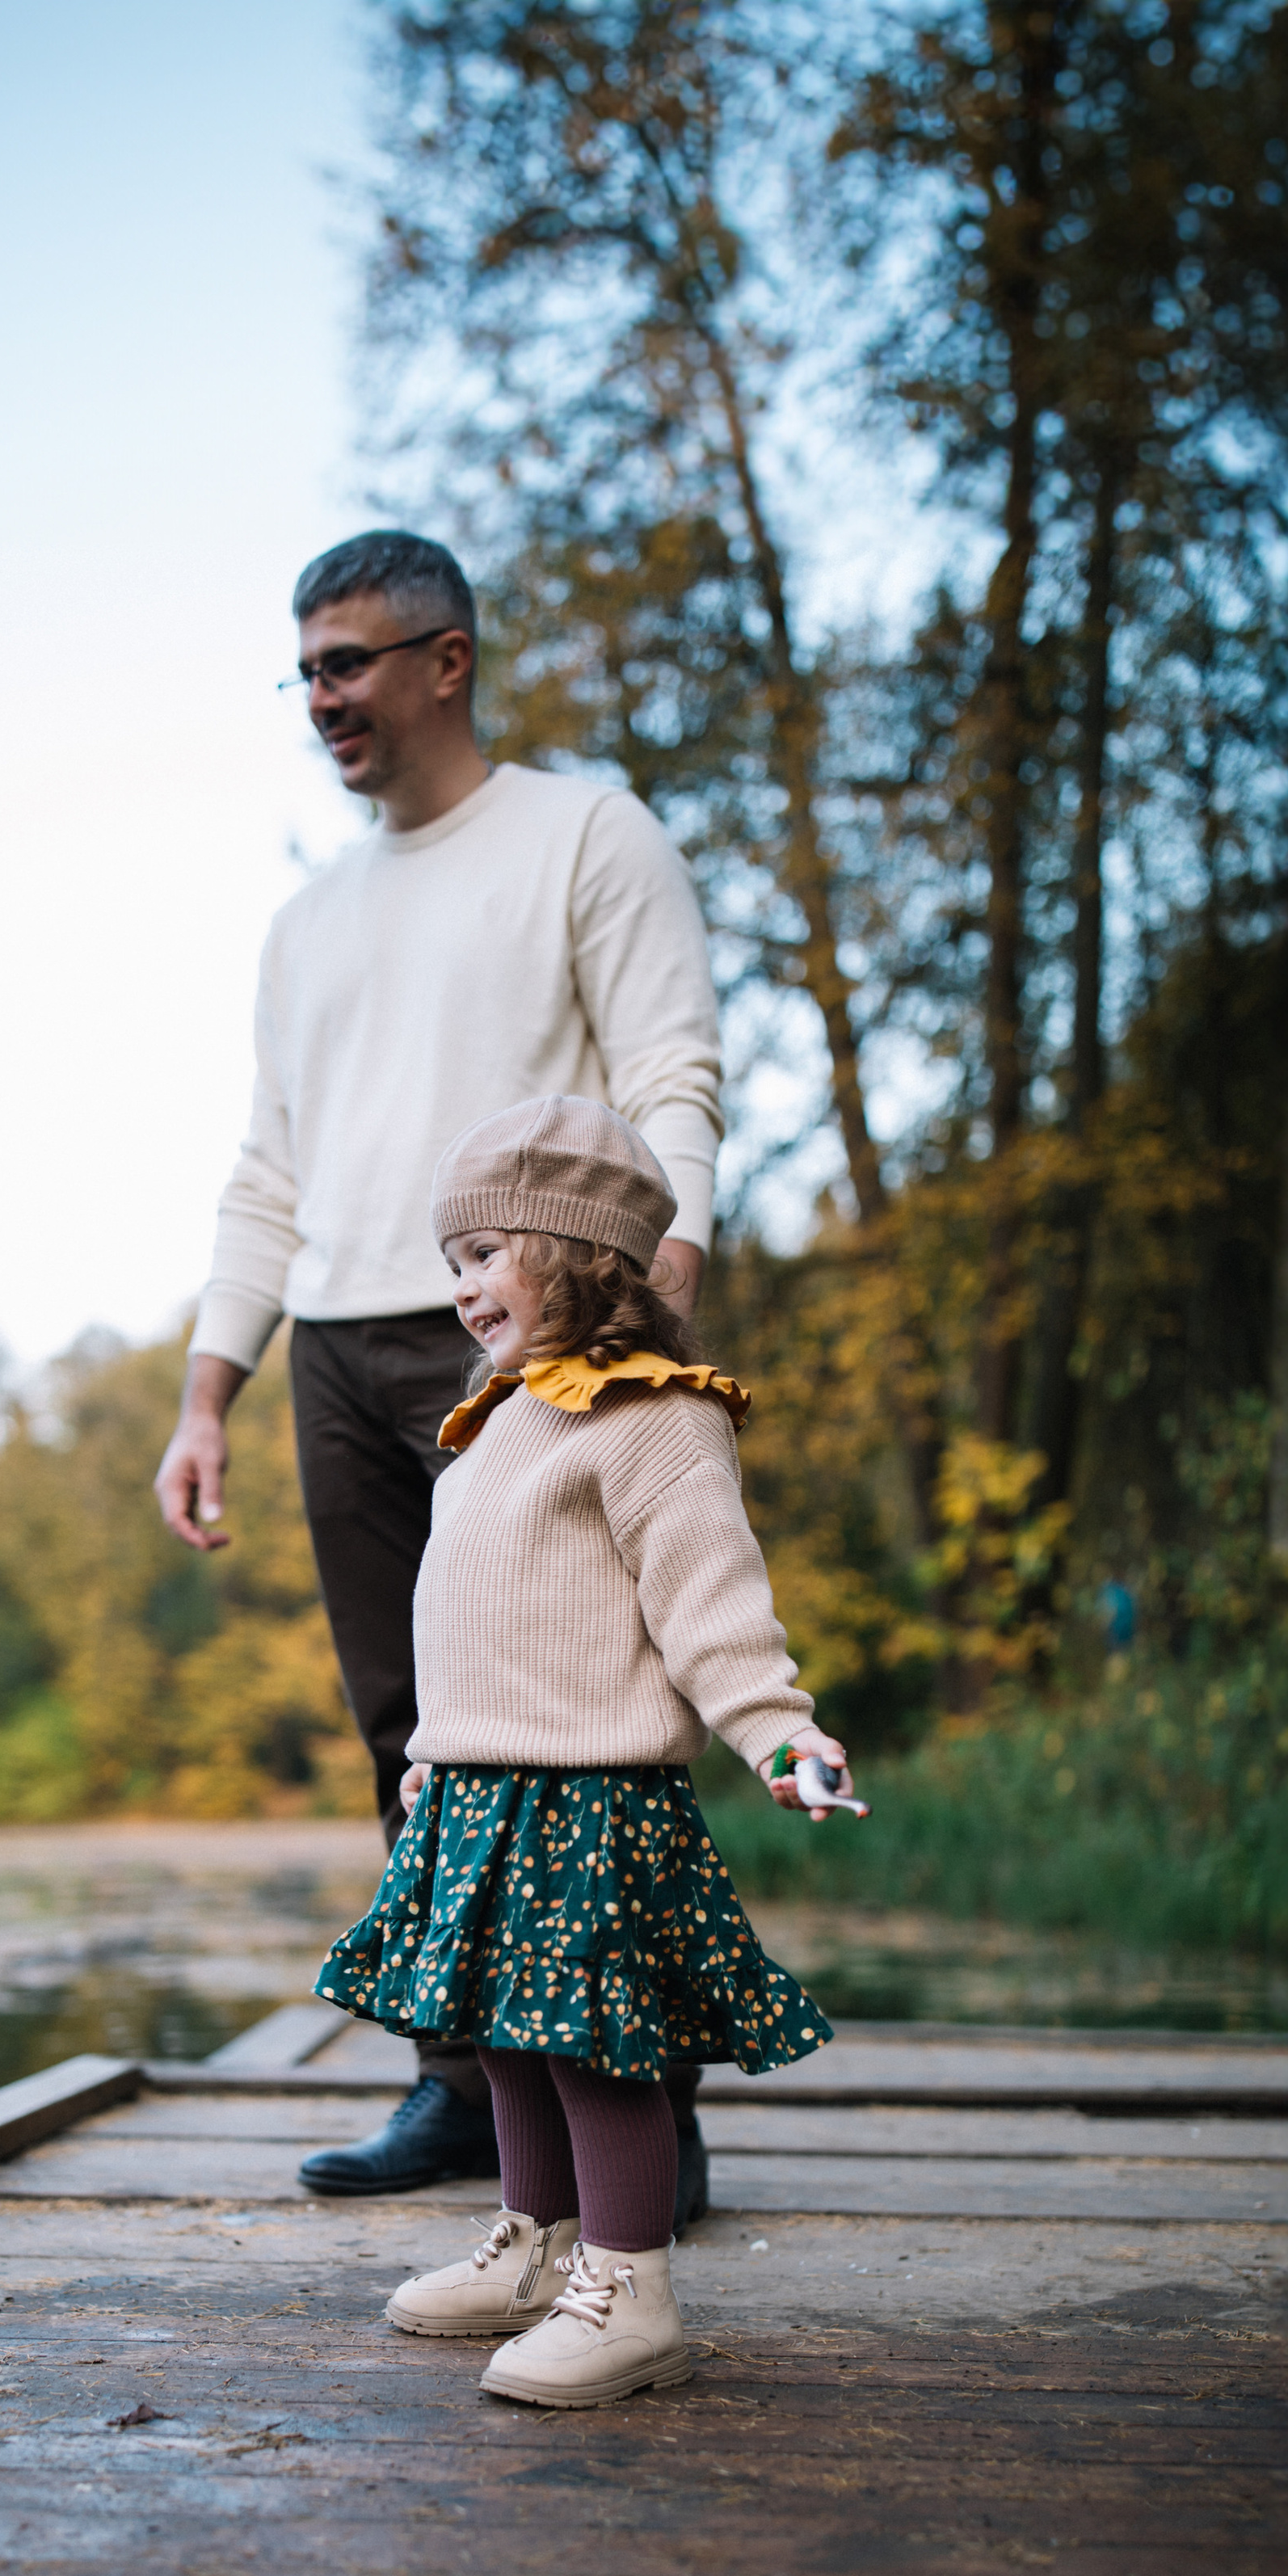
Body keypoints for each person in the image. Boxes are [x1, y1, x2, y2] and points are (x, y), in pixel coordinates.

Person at [154, 530, 726, 2212]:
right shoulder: (307, 923)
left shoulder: (586, 837)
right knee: (410, 1731)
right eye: (303, 670)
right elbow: (268, 1170)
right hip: (338, 1346)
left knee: (581, 1729)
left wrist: (665, 1270)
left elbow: (671, 1073)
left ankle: (644, 2108)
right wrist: (208, 1390)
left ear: (446, 661)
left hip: (534, 1331)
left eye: (345, 663)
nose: (319, 699)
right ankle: (463, 2090)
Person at [313, 1094, 852, 2407]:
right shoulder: (497, 1423)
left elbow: (712, 1608)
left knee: (592, 2044)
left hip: (590, 1801)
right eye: (451, 1263)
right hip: (479, 1791)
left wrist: (780, 1731)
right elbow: (469, 1621)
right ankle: (541, 2247)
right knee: (502, 2031)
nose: (461, 1289)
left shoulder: (654, 1416)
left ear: (583, 1251)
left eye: (484, 1253)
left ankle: (631, 2289)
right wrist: (433, 1755)